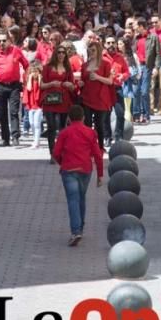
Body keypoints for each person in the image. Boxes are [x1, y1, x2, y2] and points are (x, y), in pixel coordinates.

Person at [52, 105, 104, 246]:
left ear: (68, 118)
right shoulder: (90, 133)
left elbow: (55, 153)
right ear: (83, 118)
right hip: (85, 170)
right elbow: (98, 155)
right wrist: (100, 174)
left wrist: (63, 163)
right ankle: (80, 227)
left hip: (68, 170)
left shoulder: (64, 133)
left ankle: (76, 231)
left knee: (73, 200)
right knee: (81, 198)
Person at [0, 32, 28, 147]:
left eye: (4, 40)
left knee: (14, 112)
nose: (1, 43)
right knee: (2, 113)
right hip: (0, 86)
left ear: (9, 41)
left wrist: (26, 80)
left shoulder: (16, 50)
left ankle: (15, 136)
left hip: (14, 86)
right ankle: (5, 139)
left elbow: (26, 65)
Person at [41, 44, 77, 163]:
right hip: (50, 100)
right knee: (51, 127)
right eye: (59, 52)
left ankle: (61, 152)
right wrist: (52, 84)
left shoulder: (68, 69)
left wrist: (70, 85)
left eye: (63, 52)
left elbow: (73, 86)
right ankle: (52, 153)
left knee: (62, 128)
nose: (61, 54)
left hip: (64, 100)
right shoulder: (47, 67)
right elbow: (41, 85)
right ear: (55, 54)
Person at [81, 39, 114, 150]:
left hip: (101, 98)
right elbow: (83, 79)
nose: (91, 52)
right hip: (87, 97)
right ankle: (89, 146)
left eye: (94, 50)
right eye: (90, 50)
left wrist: (98, 77)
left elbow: (110, 81)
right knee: (87, 123)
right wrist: (81, 83)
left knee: (99, 124)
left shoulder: (105, 64)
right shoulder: (85, 65)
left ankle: (100, 147)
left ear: (98, 51)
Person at [104, 36, 130, 146]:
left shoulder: (120, 58)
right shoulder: (102, 58)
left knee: (120, 113)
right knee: (105, 114)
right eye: (108, 42)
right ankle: (107, 137)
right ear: (105, 44)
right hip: (105, 89)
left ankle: (118, 136)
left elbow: (127, 72)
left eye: (113, 42)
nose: (111, 45)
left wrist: (122, 77)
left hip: (117, 88)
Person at [134, 18, 160, 124]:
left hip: (147, 66)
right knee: (136, 91)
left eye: (135, 26)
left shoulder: (153, 37)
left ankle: (146, 115)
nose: (134, 28)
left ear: (141, 26)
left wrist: (156, 67)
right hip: (137, 66)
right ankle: (137, 115)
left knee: (144, 92)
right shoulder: (136, 38)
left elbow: (158, 53)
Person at [23, 61, 43, 149]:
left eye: (36, 71)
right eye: (32, 71)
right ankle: (35, 139)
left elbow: (41, 87)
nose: (34, 73)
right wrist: (30, 78)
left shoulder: (41, 79)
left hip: (39, 105)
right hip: (31, 105)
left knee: (36, 123)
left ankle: (36, 141)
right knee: (31, 123)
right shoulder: (29, 80)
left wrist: (39, 78)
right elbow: (29, 88)